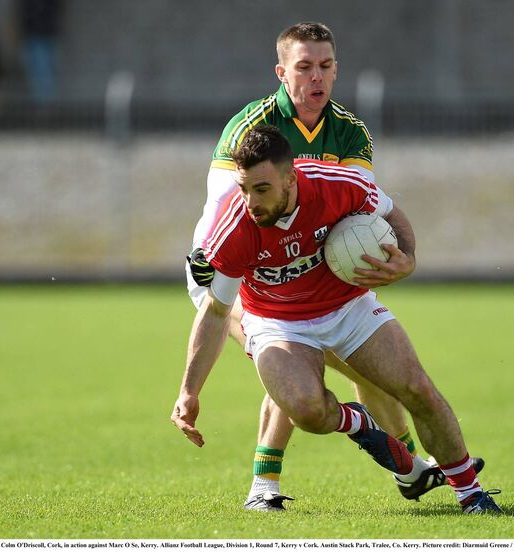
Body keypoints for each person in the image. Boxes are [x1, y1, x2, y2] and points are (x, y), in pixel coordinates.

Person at [185, 22, 484, 511]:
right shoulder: (250, 128)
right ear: (282, 72)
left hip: (311, 263)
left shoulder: (348, 131)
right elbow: (230, 213)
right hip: (230, 272)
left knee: (366, 371)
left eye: (325, 66)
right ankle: (267, 486)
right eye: (304, 67)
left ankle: (408, 466)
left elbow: (361, 217)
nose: (316, 77)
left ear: (336, 69)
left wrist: (397, 258)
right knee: (288, 354)